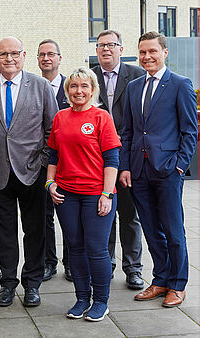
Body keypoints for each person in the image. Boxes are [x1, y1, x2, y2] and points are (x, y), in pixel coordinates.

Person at [0, 37, 58, 308]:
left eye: (13, 54)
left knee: (35, 231)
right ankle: (8, 284)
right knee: (4, 233)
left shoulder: (42, 86)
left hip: (33, 173)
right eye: (2, 54)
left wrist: (43, 162)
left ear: (23, 55)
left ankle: (32, 284)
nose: (8, 59)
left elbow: (52, 131)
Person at [120, 31, 198, 307]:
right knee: (152, 231)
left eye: (152, 51)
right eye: (142, 52)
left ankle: (178, 284)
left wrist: (178, 166)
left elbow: (190, 131)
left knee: (174, 231)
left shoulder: (180, 84)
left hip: (167, 171)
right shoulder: (133, 87)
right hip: (139, 171)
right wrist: (126, 167)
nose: (147, 57)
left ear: (165, 52)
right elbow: (128, 131)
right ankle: (161, 279)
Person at [47, 67, 121, 321]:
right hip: (66, 194)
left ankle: (101, 301)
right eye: (73, 87)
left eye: (84, 86)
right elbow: (53, 155)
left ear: (92, 90)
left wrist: (107, 194)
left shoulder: (101, 117)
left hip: (95, 194)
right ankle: (81, 299)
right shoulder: (60, 117)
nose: (79, 91)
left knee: (97, 249)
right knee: (75, 247)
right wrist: (50, 183)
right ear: (67, 91)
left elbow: (112, 158)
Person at [92, 30, 146, 289]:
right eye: (101, 45)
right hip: (95, 161)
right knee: (104, 215)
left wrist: (127, 162)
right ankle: (107, 265)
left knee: (129, 215)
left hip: (126, 159)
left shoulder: (136, 76)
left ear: (121, 49)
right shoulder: (89, 76)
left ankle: (133, 268)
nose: (106, 50)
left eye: (111, 45)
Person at [37, 38, 71, 282]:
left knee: (69, 217)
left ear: (60, 58)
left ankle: (70, 262)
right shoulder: (34, 86)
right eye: (42, 55)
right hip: (44, 164)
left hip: (70, 164)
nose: (46, 58)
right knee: (44, 217)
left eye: (51, 54)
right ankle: (49, 262)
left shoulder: (72, 87)